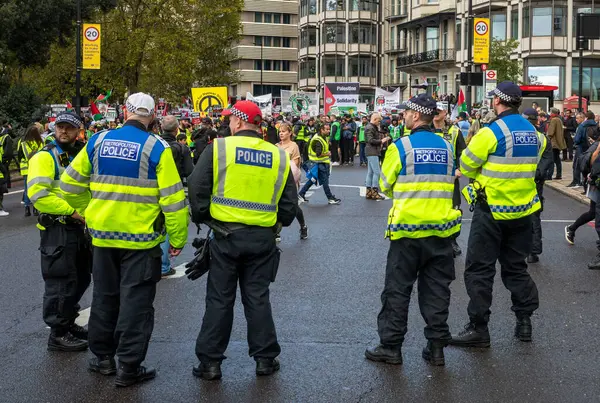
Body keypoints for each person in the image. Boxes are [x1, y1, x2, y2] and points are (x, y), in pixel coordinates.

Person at [60, 93, 189, 387]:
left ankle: (103, 359)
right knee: (137, 304)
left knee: (105, 298)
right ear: (153, 116)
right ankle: (129, 367)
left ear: (125, 112)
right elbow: (173, 200)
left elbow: (68, 186)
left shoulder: (98, 141)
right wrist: (178, 237)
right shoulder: (157, 148)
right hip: (141, 242)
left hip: (103, 237)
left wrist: (89, 210)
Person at [187, 101, 298, 380]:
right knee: (258, 298)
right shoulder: (278, 156)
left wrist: (204, 218)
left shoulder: (219, 148)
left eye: (229, 120)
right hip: (262, 239)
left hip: (225, 236)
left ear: (237, 122)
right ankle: (265, 359)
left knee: (219, 300)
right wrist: (273, 225)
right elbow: (288, 206)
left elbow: (197, 189)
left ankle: (210, 363)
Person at [365, 94, 461, 367]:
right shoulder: (446, 147)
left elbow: (384, 185)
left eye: (406, 112)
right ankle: (436, 348)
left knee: (397, 290)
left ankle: (391, 347)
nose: (403, 116)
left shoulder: (401, 147)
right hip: (441, 231)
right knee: (437, 291)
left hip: (408, 231)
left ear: (416, 116)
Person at [449, 82, 543, 348]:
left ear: (498, 102)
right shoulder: (534, 132)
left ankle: (479, 329)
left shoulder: (492, 133)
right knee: (516, 268)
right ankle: (524, 322)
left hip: (491, 212)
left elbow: (466, 164)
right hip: (523, 212)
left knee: (479, 269)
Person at [27, 112, 91, 352]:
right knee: (60, 281)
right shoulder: (45, 157)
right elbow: (39, 195)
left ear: (78, 131)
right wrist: (72, 212)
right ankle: (58, 333)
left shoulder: (81, 153)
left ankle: (68, 321)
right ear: (54, 129)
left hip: (81, 228)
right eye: (60, 127)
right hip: (58, 227)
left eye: (69, 128)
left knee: (81, 278)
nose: (64, 131)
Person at [158, 115, 194, 278]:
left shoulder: (155, 145)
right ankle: (164, 265)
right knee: (170, 223)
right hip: (174, 188)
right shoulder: (181, 148)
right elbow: (189, 171)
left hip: (154, 188)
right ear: (176, 129)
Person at [432, 102, 466, 256]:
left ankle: (452, 240)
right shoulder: (425, 130)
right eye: (434, 111)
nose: (436, 114)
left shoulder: (454, 131)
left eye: (438, 111)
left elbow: (462, 153)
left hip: (451, 178)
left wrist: (459, 169)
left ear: (445, 112)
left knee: (454, 209)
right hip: (430, 177)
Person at [522, 108, 552, 264]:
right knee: (534, 217)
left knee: (514, 216)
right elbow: (547, 161)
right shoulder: (543, 138)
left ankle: (516, 248)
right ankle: (533, 252)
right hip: (535, 183)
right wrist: (536, 176)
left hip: (517, 182)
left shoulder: (515, 136)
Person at [276, 122, 308, 240]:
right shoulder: (276, 146)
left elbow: (295, 163)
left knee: (293, 205)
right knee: (276, 204)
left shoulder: (293, 146)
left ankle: (303, 226)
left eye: (284, 131)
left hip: (291, 179)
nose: (281, 134)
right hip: (277, 179)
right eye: (280, 131)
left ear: (290, 133)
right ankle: (277, 231)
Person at [298, 123, 342, 205]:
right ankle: (330, 198)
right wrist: (327, 154)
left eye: (329, 129)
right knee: (325, 181)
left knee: (313, 179)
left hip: (319, 162)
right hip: (319, 163)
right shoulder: (318, 140)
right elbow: (318, 154)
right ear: (322, 130)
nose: (329, 131)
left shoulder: (323, 137)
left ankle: (301, 193)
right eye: (327, 129)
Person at [18, 125, 45, 216]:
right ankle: (35, 208)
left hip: (26, 169)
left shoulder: (23, 143)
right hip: (37, 168)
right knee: (36, 188)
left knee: (27, 189)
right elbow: (43, 154)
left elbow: (26, 156)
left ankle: (27, 208)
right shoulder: (41, 142)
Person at [570, 112, 598, 188]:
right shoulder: (596, 125)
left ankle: (576, 181)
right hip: (592, 147)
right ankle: (585, 182)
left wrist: (575, 141)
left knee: (577, 165)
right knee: (588, 165)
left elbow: (577, 138)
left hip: (580, 147)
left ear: (585, 118)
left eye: (577, 118)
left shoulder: (582, 126)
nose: (576, 120)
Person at [365, 113, 387, 201]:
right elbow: (370, 140)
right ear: (374, 119)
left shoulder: (369, 127)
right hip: (372, 151)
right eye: (378, 120)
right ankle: (374, 192)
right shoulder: (370, 127)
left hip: (370, 151)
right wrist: (381, 141)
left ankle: (369, 192)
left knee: (370, 172)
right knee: (377, 172)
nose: (379, 122)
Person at [546, 108, 567, 180]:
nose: (550, 113)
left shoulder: (554, 120)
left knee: (552, 160)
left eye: (551, 112)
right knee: (557, 159)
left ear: (553, 113)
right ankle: (558, 174)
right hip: (558, 143)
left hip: (553, 143)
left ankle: (549, 175)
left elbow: (551, 132)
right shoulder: (559, 120)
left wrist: (547, 137)